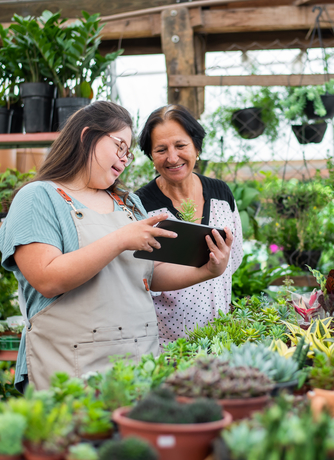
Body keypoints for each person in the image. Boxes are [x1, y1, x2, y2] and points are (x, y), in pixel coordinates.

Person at [0, 101, 232, 392]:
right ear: (87, 136)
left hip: (138, 365)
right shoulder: (39, 197)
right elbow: (48, 278)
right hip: (70, 370)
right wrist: (121, 239)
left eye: (128, 152)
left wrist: (208, 270)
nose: (125, 160)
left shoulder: (128, 203)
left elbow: (149, 274)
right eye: (119, 146)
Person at [136, 104, 243, 348]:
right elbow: (142, 277)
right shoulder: (141, 207)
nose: (172, 158)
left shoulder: (221, 194)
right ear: (151, 156)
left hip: (223, 339)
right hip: (168, 345)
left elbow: (233, 259)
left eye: (181, 146)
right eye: (161, 150)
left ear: (196, 146)